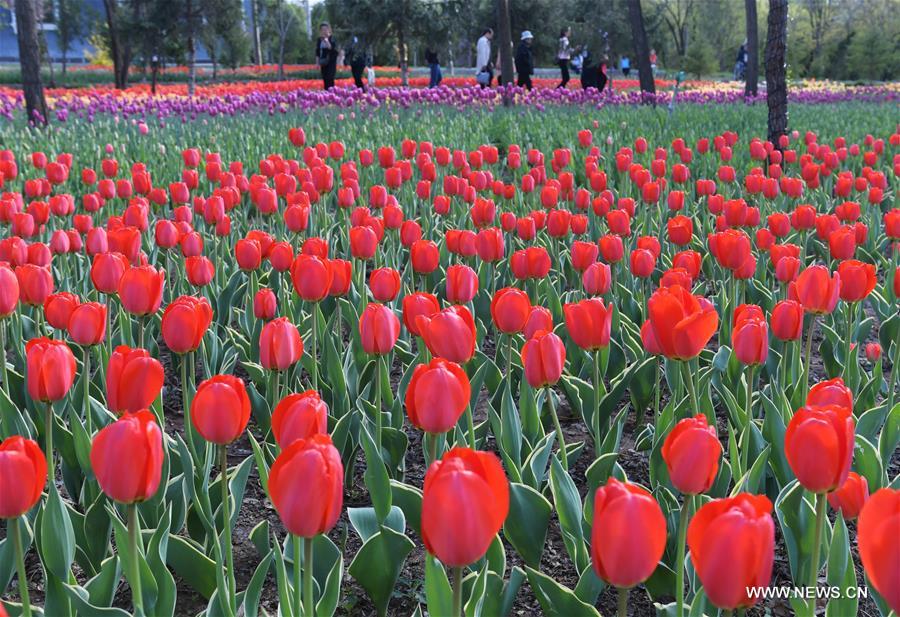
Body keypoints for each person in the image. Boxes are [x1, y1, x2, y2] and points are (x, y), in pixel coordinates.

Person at [316, 23, 339, 90]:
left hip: (331, 62)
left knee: (330, 78)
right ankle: (327, 93)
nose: (324, 31)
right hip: (323, 62)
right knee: (325, 78)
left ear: (329, 29)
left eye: (326, 29)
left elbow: (333, 49)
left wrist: (327, 41)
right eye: (322, 29)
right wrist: (317, 63)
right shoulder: (319, 39)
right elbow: (317, 52)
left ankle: (332, 93)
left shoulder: (332, 38)